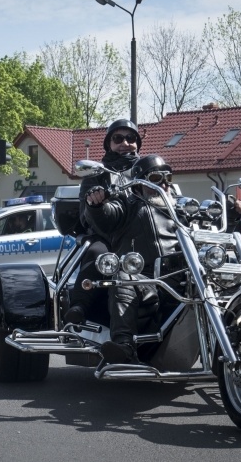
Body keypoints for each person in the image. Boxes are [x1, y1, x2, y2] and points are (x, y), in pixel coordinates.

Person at [83, 154, 180, 364]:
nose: (164, 184)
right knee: (122, 277)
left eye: (167, 178)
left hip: (181, 277)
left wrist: (234, 213)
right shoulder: (127, 206)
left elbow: (212, 225)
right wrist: (96, 204)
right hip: (145, 279)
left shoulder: (180, 208)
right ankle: (124, 346)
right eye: (156, 178)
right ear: (138, 185)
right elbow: (106, 216)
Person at [63, 118, 142, 326]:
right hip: (107, 234)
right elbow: (84, 217)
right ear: (109, 143)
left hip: (142, 232)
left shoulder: (146, 170)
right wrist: (95, 204)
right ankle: (79, 306)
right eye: (118, 138)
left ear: (137, 143)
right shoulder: (96, 173)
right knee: (98, 251)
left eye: (130, 138)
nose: (125, 143)